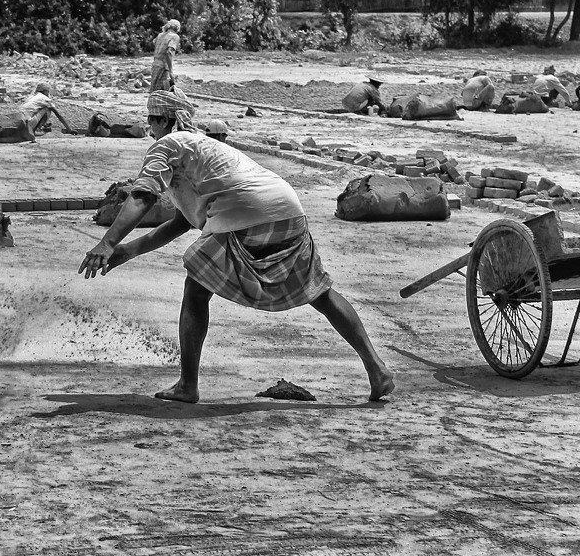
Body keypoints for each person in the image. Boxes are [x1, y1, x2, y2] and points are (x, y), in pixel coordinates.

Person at [77, 90, 395, 404]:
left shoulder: (167, 145)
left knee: (197, 286)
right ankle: (376, 369)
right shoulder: (200, 149)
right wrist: (126, 252)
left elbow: (142, 196)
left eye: (152, 119)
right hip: (288, 210)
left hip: (250, 213)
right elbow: (181, 223)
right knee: (319, 292)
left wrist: (107, 242)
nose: (149, 127)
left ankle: (188, 385)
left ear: (164, 120)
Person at [0, 83, 75, 143]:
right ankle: (37, 129)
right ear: (45, 91)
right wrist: (69, 129)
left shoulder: (32, 97)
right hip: (26, 119)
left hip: (18, 115)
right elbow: (59, 115)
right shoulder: (45, 99)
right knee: (48, 109)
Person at [150, 20, 181, 92]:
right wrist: (171, 71)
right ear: (177, 28)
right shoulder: (175, 37)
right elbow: (169, 52)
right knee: (165, 91)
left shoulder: (160, 35)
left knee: (154, 90)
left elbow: (154, 42)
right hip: (164, 67)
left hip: (155, 65)